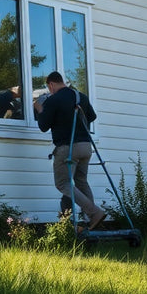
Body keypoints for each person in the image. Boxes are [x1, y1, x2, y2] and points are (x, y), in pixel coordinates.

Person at [35, 71, 106, 230]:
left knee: (63, 183)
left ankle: (94, 213)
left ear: (51, 85)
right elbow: (91, 117)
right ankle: (93, 220)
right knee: (81, 181)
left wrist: (40, 110)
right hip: (86, 147)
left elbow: (43, 126)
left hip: (67, 148)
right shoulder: (81, 97)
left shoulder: (53, 100)